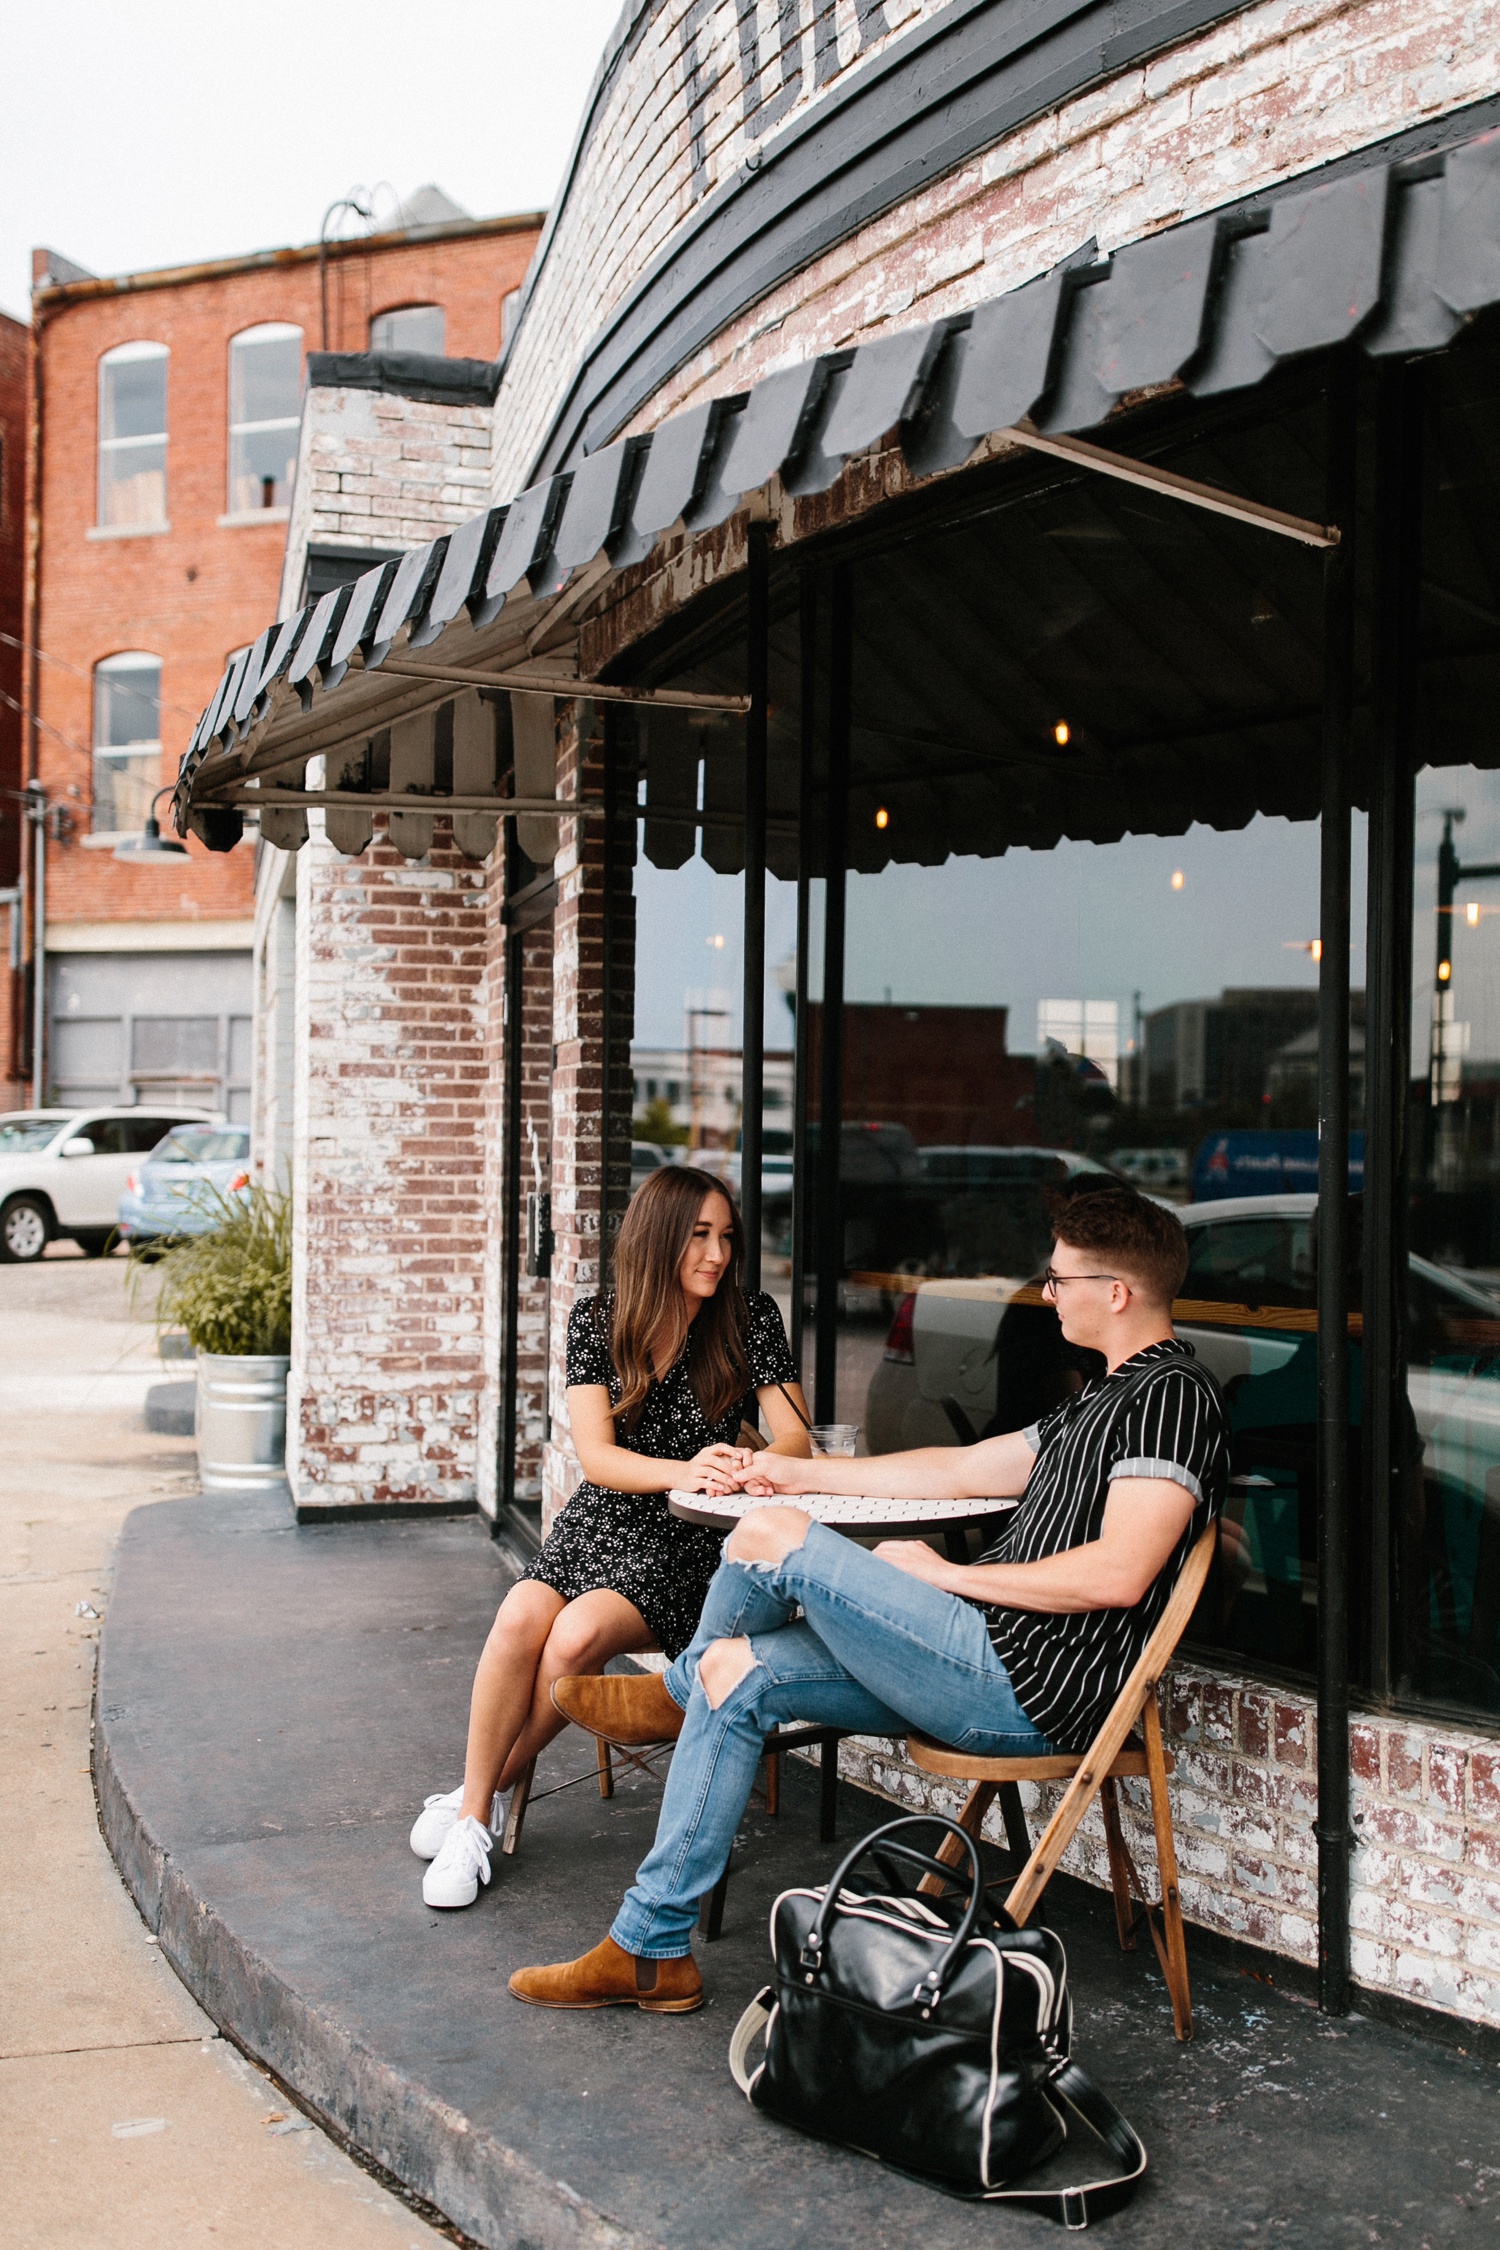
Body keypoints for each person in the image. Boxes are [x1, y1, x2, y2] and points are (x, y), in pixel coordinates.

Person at [506, 1182, 1227, 2012]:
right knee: (735, 1672)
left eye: (1059, 1279)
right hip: (976, 1650)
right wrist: (798, 1469)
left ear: (1117, 1292)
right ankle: (650, 1949)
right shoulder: (1099, 1397)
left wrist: (950, 1575)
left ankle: (672, 1688)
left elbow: (1119, 1574)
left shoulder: (1172, 1398)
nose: (1048, 1293)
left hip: (1025, 1686)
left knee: (770, 1532)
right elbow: (961, 1469)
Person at [411, 1163, 810, 1909]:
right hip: (606, 1515)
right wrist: (684, 1466)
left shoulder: (751, 1318)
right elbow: (598, 1457)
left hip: (691, 1535)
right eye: (698, 1237)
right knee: (522, 1617)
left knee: (575, 1636)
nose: (716, 1255)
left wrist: (740, 1464)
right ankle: (476, 1813)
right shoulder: (599, 1320)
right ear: (659, 1240)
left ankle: (475, 1798)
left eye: (726, 1238)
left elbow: (797, 1438)